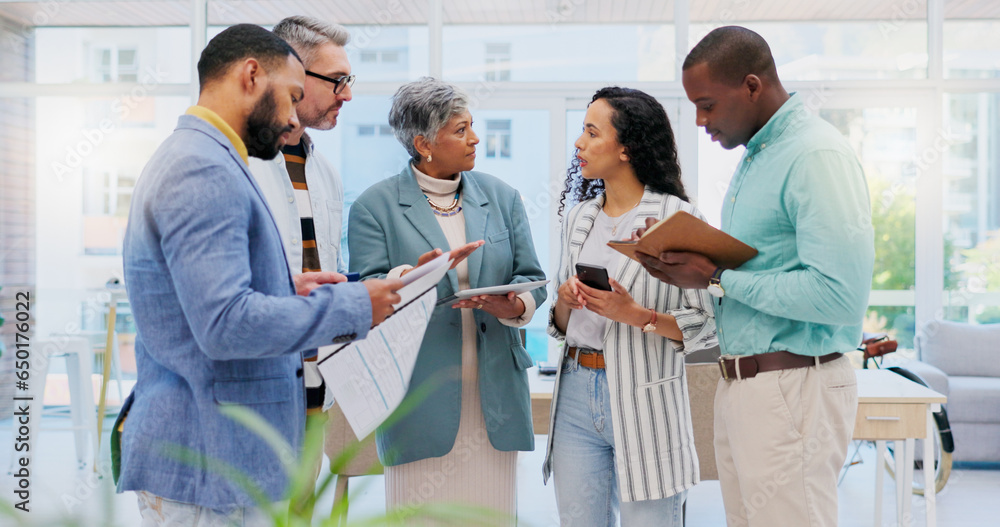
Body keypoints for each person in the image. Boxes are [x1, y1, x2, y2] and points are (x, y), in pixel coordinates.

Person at [116, 24, 402, 525]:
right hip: (210, 461)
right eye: (291, 96)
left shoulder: (207, 158)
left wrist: (286, 288)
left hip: (226, 454)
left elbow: (205, 298)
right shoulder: (202, 167)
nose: (293, 117)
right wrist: (356, 306)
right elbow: (225, 324)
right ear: (251, 75)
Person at [636, 26, 874, 526]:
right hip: (745, 387)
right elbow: (759, 278)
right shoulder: (758, 158)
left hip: (794, 387)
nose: (700, 121)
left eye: (707, 105)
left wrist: (718, 276)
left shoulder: (814, 155)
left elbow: (839, 297)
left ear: (751, 86)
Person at [347, 77, 546, 521]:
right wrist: (410, 276)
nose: (475, 138)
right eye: (460, 130)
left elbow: (532, 279)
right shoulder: (372, 207)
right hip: (420, 399)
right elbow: (368, 294)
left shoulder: (501, 197)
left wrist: (513, 306)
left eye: (472, 126)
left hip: (495, 397)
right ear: (423, 143)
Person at [542, 87, 717, 527]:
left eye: (591, 132)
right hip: (576, 394)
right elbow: (561, 325)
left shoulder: (679, 218)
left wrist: (636, 316)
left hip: (645, 395)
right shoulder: (578, 218)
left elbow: (706, 327)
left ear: (626, 147)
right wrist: (564, 302)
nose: (578, 143)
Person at [248, 15, 354, 511]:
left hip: (314, 400)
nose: (347, 94)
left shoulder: (325, 172)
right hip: (256, 403)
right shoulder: (238, 165)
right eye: (337, 81)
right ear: (292, 75)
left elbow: (327, 268)